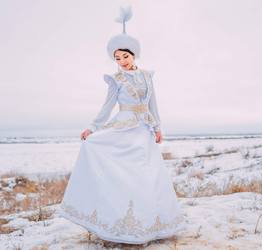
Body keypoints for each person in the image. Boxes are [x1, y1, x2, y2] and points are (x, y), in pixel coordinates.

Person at [57, 6, 186, 245]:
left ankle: (151, 224)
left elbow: (153, 104)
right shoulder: (115, 80)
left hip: (144, 131)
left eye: (124, 56)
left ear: (133, 54)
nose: (121, 61)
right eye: (116, 58)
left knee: (149, 176)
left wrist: (157, 128)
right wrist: (92, 128)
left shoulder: (147, 76)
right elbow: (107, 107)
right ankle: (122, 226)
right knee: (126, 177)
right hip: (123, 129)